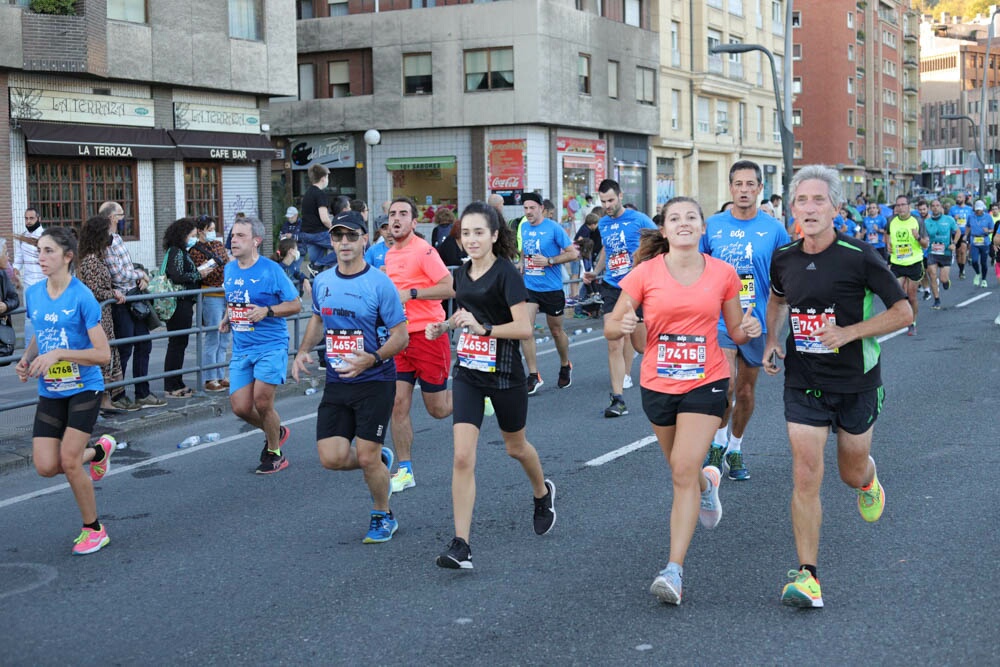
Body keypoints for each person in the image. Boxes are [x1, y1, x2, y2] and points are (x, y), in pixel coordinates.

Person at [763, 165, 912, 608]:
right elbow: (777, 298)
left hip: (856, 383)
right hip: (804, 382)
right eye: (801, 201)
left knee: (849, 472)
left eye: (818, 200)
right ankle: (808, 576)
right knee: (806, 473)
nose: (809, 208)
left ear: (835, 208)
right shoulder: (785, 257)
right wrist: (773, 340)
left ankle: (869, 481)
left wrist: (848, 333)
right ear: (792, 209)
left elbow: (903, 313)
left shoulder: (859, 255)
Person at [605, 197, 762, 605]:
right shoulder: (644, 274)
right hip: (657, 383)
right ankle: (708, 484)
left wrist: (750, 326)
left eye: (691, 217)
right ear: (665, 230)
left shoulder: (723, 273)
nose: (684, 223)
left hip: (706, 380)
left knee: (681, 469)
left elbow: (736, 333)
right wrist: (620, 324)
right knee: (683, 470)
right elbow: (614, 327)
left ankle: (673, 570)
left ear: (702, 227)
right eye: (675, 218)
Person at [425, 202, 555, 569]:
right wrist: (445, 326)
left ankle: (542, 493)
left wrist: (485, 330)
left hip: (505, 373)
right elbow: (465, 313)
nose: (471, 240)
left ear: (495, 235)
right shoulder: (463, 273)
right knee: (463, 455)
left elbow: (525, 327)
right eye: (465, 233)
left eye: (479, 232)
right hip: (468, 372)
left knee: (516, 447)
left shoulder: (507, 274)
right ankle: (461, 544)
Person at [291, 213, 409, 543]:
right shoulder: (324, 281)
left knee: (368, 455)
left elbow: (401, 337)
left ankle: (382, 514)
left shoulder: (379, 284)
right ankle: (379, 462)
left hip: (375, 380)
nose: (344, 242)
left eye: (351, 236)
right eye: (338, 236)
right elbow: (318, 319)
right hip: (339, 381)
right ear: (331, 241)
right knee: (332, 458)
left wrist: (371, 358)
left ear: (363, 240)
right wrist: (302, 351)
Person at [15, 226, 116, 555]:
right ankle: (98, 452)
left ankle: (94, 528)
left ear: (67, 257)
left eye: (49, 252)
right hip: (51, 389)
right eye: (39, 251)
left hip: (85, 386)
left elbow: (102, 354)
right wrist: (27, 358)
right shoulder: (34, 293)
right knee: (45, 466)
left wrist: (59, 354)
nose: (41, 258)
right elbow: (41, 333)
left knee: (70, 461)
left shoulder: (81, 296)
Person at [700, 160, 790, 481]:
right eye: (738, 184)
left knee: (746, 392)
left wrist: (777, 333)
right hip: (720, 320)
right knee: (723, 387)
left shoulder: (774, 229)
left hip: (757, 320)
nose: (744, 190)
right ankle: (717, 442)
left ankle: (735, 447)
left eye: (750, 184)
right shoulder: (712, 226)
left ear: (759, 189)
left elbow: (786, 280)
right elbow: (695, 269)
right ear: (731, 187)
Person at [383, 198, 455, 492]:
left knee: (437, 409)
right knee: (397, 405)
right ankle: (405, 470)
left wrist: (412, 293)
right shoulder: (388, 255)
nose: (396, 219)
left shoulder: (424, 250)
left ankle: (474, 391)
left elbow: (450, 286)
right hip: (400, 338)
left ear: (414, 223)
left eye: (403, 214)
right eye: (392, 215)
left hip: (429, 335)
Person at [221, 217, 300, 473]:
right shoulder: (230, 269)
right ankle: (275, 430)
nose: (234, 240)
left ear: (256, 240)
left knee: (263, 402)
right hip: (242, 347)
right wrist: (227, 317)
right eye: (233, 235)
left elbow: (295, 304)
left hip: (271, 345)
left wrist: (268, 310)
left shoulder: (271, 270)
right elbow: (234, 299)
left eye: (241, 236)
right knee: (241, 407)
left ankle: (275, 452)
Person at [583, 179, 658, 418]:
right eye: (603, 201)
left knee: (641, 345)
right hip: (612, 287)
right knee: (613, 340)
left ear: (620, 196)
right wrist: (596, 270)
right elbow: (607, 249)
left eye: (611, 200)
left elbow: (660, 242)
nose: (607, 205)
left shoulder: (639, 219)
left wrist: (648, 266)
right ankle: (618, 399)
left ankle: (671, 381)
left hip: (638, 289)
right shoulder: (604, 223)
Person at [100, 201, 165, 409]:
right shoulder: (106, 241)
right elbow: (118, 274)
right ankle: (117, 395)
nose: (123, 218)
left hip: (133, 295)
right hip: (122, 301)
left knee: (144, 342)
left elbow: (126, 267)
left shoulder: (117, 238)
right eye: (120, 214)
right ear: (112, 217)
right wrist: (141, 274)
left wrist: (139, 276)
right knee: (124, 348)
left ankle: (142, 392)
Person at [517, 192, 579, 393]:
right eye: (525, 208)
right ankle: (534, 375)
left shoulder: (553, 228)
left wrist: (550, 261)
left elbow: (573, 253)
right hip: (530, 287)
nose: (528, 212)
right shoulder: (524, 227)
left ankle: (565, 364)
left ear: (541, 208)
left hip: (552, 289)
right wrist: (521, 262)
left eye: (532, 208)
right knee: (526, 330)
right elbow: (525, 250)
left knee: (556, 331)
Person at [76, 216, 127, 414]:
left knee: (108, 355)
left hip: (103, 314)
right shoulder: (90, 260)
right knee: (103, 354)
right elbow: (94, 289)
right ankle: (102, 400)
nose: (110, 236)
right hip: (98, 315)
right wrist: (113, 294)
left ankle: (106, 399)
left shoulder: (95, 257)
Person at [160, 218, 211, 398]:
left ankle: (177, 382)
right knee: (177, 343)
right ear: (182, 236)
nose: (193, 239)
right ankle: (171, 386)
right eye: (191, 235)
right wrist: (199, 273)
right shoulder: (176, 252)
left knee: (180, 344)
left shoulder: (180, 251)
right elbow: (177, 275)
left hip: (184, 302)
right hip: (179, 303)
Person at [189, 215, 231, 392]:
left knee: (225, 337)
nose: (213, 233)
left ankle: (220, 374)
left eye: (214, 229)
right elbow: (203, 272)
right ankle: (209, 377)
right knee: (213, 336)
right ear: (200, 231)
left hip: (225, 294)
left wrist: (215, 264)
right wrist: (217, 263)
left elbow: (225, 263)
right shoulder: (194, 250)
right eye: (210, 230)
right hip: (210, 295)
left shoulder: (218, 245)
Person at [886, 195, 927, 336]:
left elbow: (926, 244)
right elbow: (888, 234)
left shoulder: (917, 221)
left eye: (903, 205)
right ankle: (900, 318)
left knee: (912, 296)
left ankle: (912, 322)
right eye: (898, 205)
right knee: (897, 293)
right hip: (897, 263)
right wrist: (888, 244)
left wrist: (918, 238)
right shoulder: (891, 220)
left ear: (909, 206)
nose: (900, 208)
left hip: (914, 262)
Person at [13, 207, 45, 345]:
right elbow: (19, 259)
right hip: (28, 284)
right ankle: (29, 352)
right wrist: (15, 270)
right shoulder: (22, 237)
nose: (28, 221)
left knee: (45, 315)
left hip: (45, 283)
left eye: (31, 218)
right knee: (29, 317)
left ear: (39, 219)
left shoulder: (46, 236)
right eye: (26, 218)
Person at [923, 199, 959, 310]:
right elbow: (923, 236)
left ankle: (946, 281)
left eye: (937, 205)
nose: (935, 207)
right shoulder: (926, 222)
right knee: (932, 275)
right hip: (932, 252)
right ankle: (936, 300)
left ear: (941, 207)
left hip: (946, 252)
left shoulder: (949, 219)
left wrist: (954, 243)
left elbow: (957, 231)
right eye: (933, 206)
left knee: (943, 279)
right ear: (930, 208)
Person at [298, 163, 335, 269]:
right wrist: (334, 228)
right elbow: (324, 219)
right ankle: (317, 265)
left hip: (306, 234)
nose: (328, 179)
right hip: (319, 233)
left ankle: (314, 273)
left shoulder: (307, 193)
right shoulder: (320, 194)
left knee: (315, 266)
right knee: (343, 247)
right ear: (323, 178)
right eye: (327, 177)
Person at [968, 199, 993, 288]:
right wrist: (965, 236)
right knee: (974, 261)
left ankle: (984, 279)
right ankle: (978, 273)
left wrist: (988, 230)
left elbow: (993, 229)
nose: (978, 211)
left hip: (984, 241)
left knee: (983, 262)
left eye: (980, 209)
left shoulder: (988, 217)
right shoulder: (971, 216)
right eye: (977, 209)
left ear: (983, 209)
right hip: (974, 240)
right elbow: (968, 226)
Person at [948, 193, 973, 279]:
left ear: (964, 198)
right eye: (957, 197)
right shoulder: (953, 209)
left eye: (960, 197)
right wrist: (954, 218)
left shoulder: (969, 209)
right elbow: (948, 220)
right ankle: (961, 268)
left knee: (963, 250)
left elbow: (972, 220)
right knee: (958, 253)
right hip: (955, 233)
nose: (958, 198)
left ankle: (962, 271)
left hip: (965, 233)